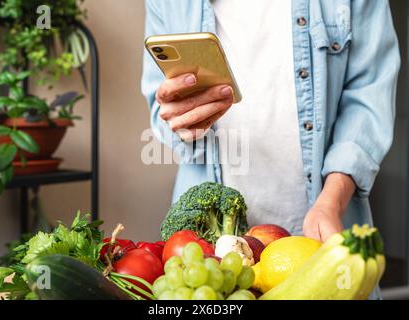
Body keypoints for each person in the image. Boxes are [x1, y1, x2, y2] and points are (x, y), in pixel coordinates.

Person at [142, 0, 400, 245]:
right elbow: (160, 106)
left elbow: (368, 97)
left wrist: (331, 202)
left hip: (324, 225)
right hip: (212, 247)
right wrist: (182, 122)